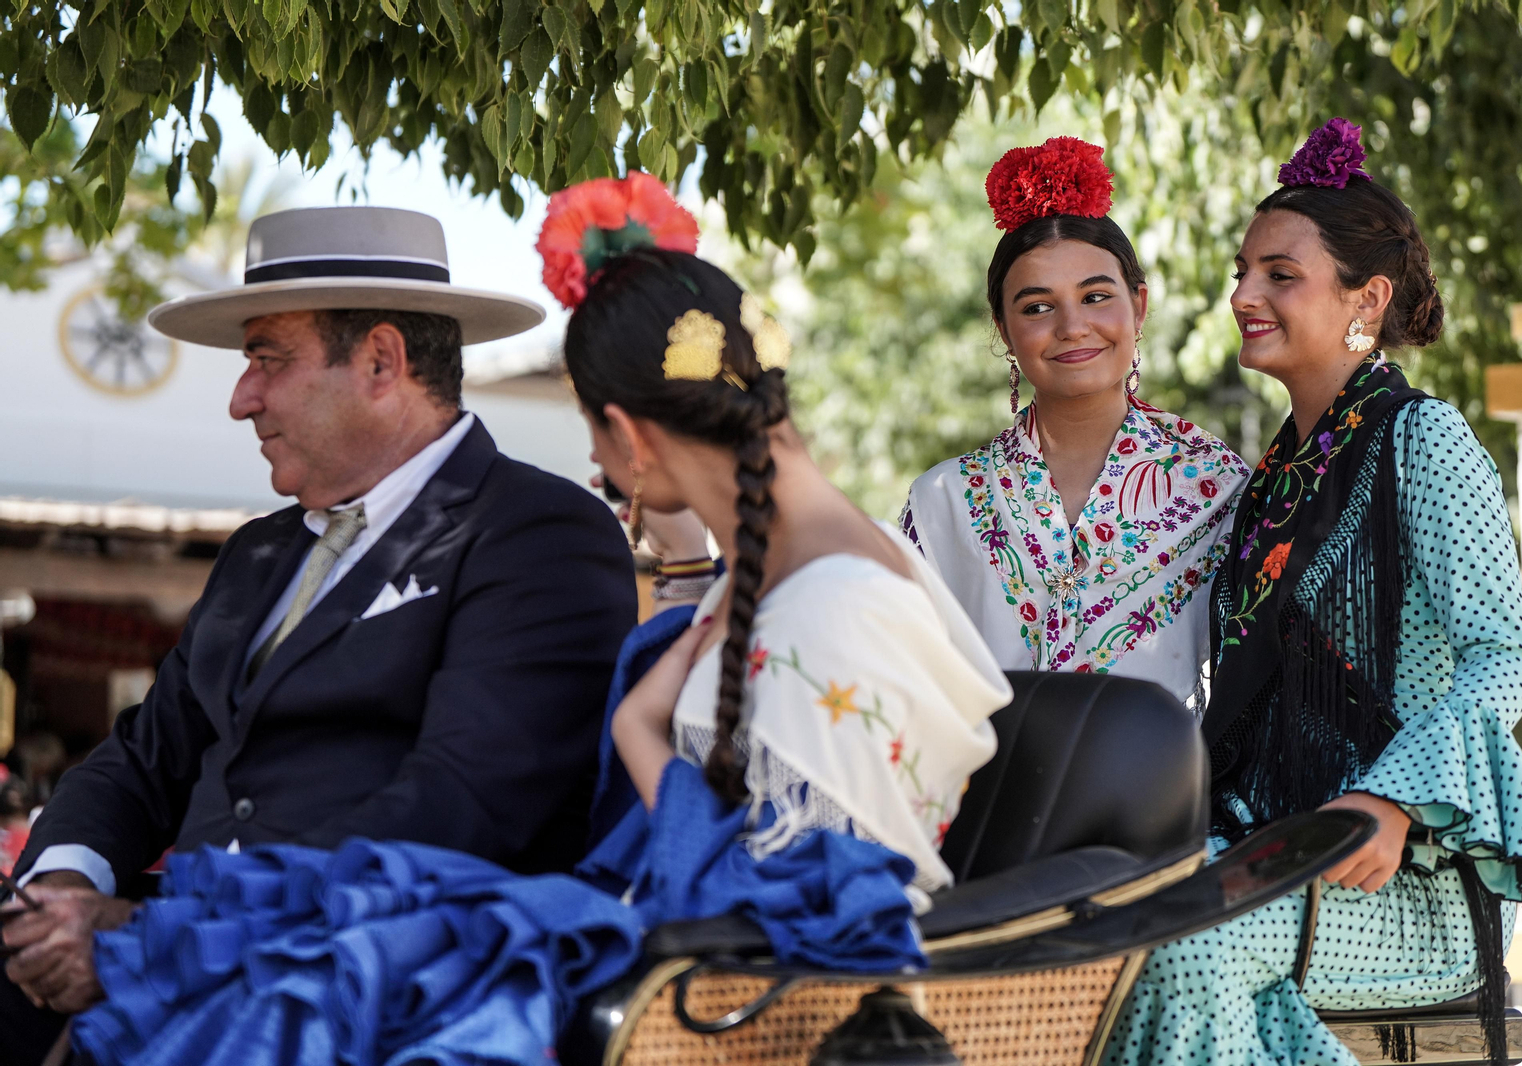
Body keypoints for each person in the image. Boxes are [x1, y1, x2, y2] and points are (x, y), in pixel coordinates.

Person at [60, 172, 1011, 1066]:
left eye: (595, 435)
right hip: (668, 965)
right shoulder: (786, 584)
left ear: (628, 437)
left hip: (720, 1005)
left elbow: (810, 910)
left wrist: (642, 725)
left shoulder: (827, 604)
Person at [0, 206, 639, 1061]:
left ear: (382, 359)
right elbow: (143, 758)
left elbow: (454, 816)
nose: (240, 398)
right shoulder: (259, 551)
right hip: (169, 988)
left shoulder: (537, 533)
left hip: (362, 1006)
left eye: (268, 358)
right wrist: (63, 891)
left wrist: (150, 933)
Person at [1107, 119, 1522, 1066]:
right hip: (1271, 847)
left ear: (1367, 299)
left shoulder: (1425, 441)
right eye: (1244, 271)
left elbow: (1503, 662)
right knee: (1093, 927)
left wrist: (1392, 801)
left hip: (1402, 881)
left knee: (1177, 957)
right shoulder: (1274, 479)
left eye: (1280, 275)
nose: (1244, 295)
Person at [902, 136, 1249, 702]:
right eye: (1037, 307)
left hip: (1166, 789)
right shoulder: (944, 501)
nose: (1071, 326)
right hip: (989, 789)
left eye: (1094, 297)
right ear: (1002, 328)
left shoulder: (1219, 488)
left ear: (1137, 306)